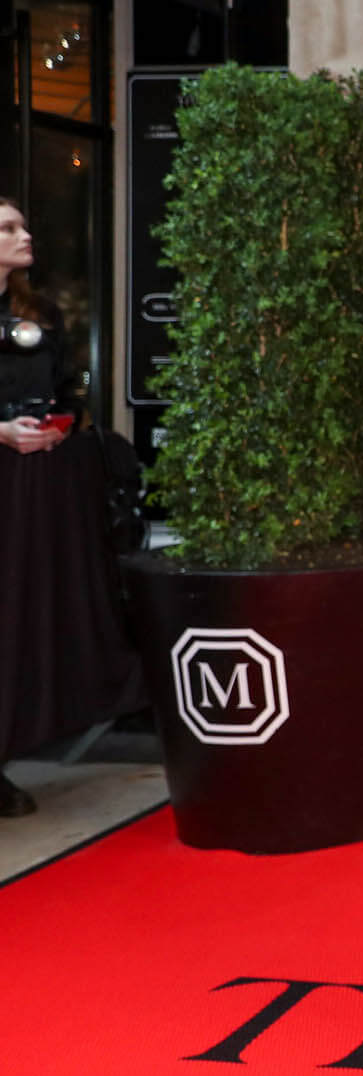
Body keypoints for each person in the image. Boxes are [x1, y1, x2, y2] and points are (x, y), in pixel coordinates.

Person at [0, 198, 143, 818]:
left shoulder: (43, 314)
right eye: (8, 228)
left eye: (23, 224)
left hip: (36, 490)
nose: (25, 235)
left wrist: (63, 423)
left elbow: (71, 387)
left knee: (23, 617)